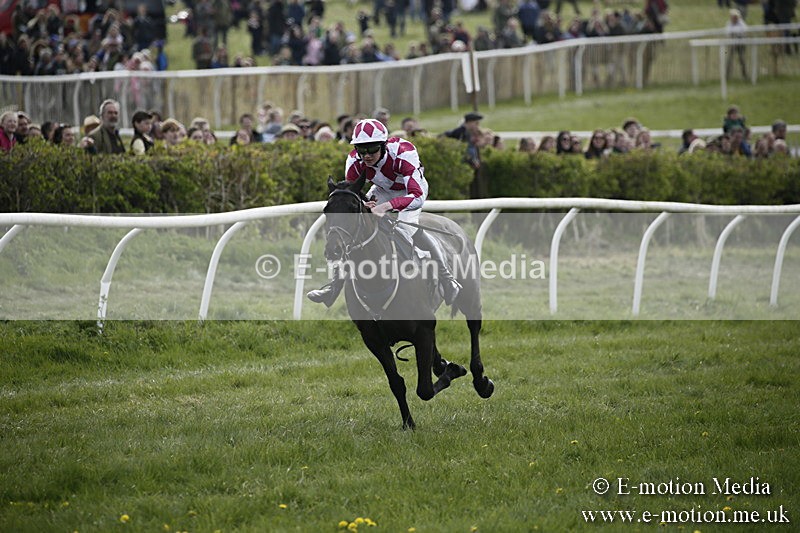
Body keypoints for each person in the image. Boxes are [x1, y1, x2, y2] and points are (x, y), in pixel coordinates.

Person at [307, 118, 462, 307]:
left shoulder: (404, 152)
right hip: (381, 190)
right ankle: (334, 286)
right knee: (357, 232)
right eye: (361, 149)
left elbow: (417, 196)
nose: (366, 155)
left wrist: (385, 207)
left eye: (372, 148)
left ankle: (447, 279)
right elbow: (352, 193)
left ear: (383, 145)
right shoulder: (354, 159)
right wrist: (367, 204)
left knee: (407, 230)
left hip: (411, 191)